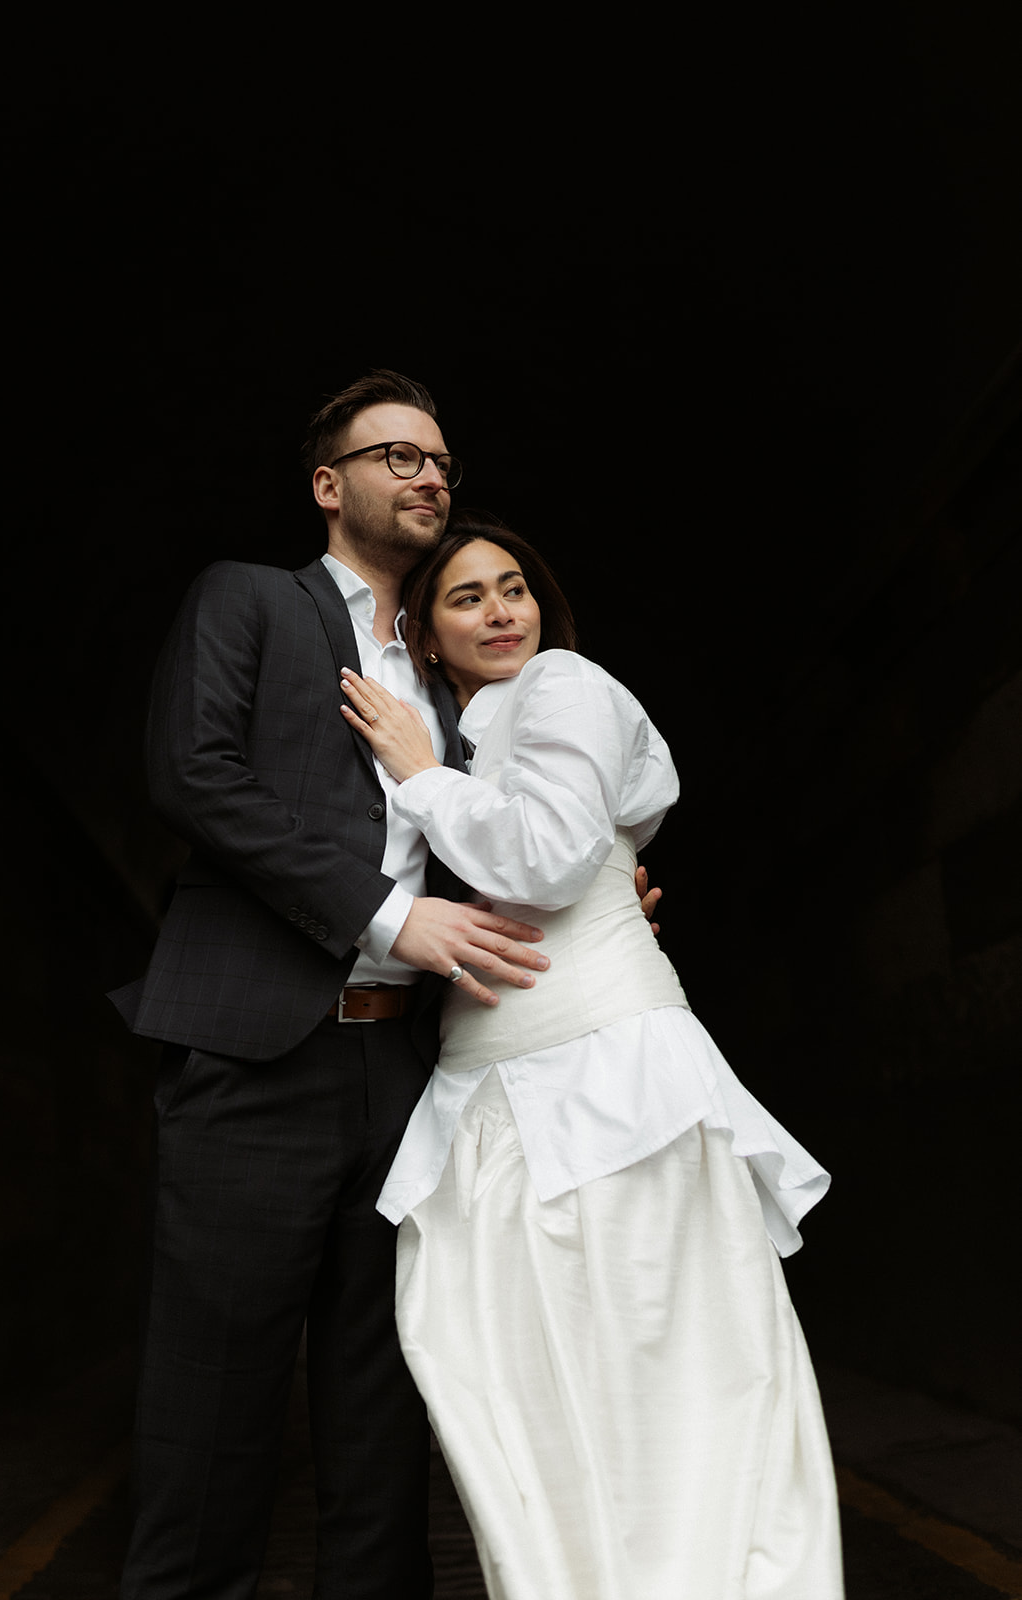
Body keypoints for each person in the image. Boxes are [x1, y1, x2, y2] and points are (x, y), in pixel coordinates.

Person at [339, 519, 846, 1599]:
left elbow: (553, 855)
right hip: (492, 1086)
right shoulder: (470, 735)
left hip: (605, 1084)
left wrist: (421, 777)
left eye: (513, 588)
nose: (500, 611)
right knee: (529, 1399)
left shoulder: (560, 682)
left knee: (657, 1381)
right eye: (467, 597)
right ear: (423, 637)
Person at [109, 373, 553, 1600]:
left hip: (410, 1072)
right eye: (397, 455)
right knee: (214, 1409)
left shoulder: (457, 667)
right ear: (327, 484)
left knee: (384, 1412)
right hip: (258, 1055)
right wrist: (387, 914)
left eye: (441, 462)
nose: (428, 476)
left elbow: (501, 836)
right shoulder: (249, 599)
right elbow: (193, 771)